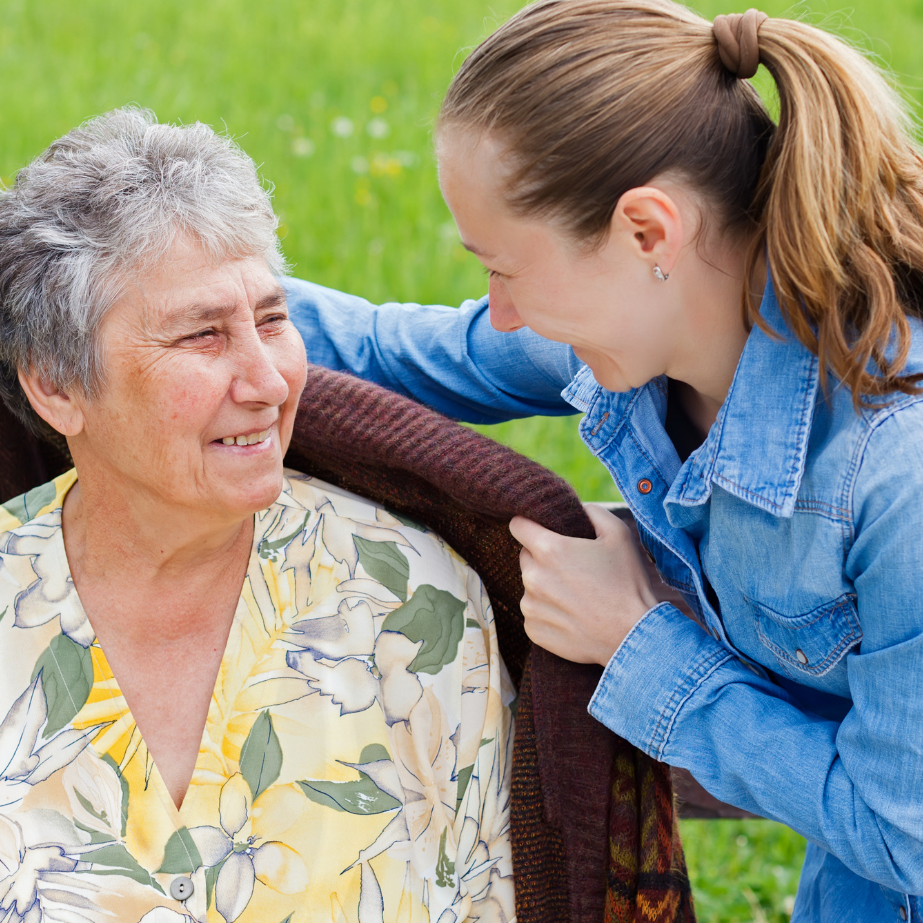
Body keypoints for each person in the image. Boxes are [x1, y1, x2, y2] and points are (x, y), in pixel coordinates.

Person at [283, 1, 923, 920]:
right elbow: (389, 353)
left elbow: (900, 831)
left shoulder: (890, 463)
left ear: (646, 233)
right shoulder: (645, 321)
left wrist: (637, 645)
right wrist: (148, 290)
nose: (497, 312)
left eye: (503, 270)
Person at [0, 108, 515, 923]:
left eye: (273, 320)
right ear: (57, 386)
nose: (269, 382)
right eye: (202, 335)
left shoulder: (416, 606)